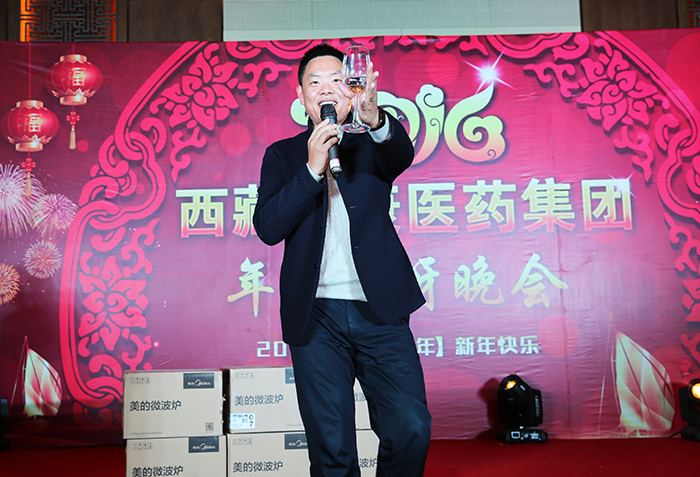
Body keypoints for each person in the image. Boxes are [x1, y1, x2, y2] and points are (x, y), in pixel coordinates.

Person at [252, 44, 431, 477]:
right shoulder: (283, 155)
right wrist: (312, 168)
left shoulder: (372, 143)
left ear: (352, 89)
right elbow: (268, 227)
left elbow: (400, 155)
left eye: (336, 79)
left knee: (410, 426)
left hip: (380, 308)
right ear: (301, 97)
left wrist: (374, 119)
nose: (326, 88)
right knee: (331, 448)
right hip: (315, 317)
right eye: (314, 82)